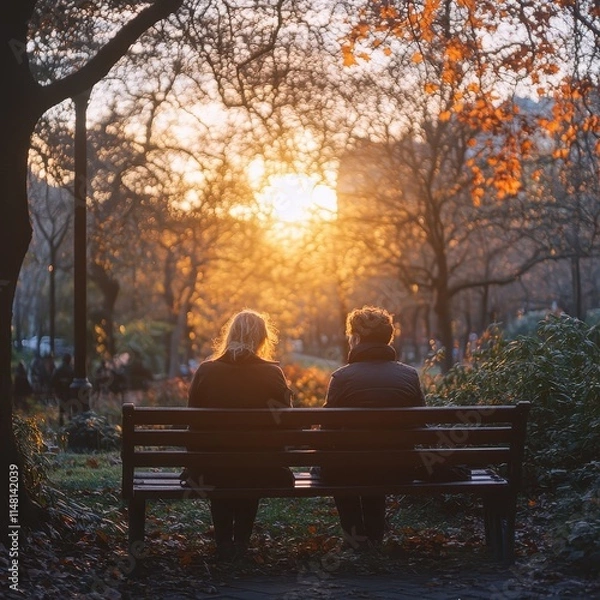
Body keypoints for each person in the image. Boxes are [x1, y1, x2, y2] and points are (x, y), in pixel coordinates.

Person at [185, 309, 293, 560]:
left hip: (210, 469)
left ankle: (224, 544)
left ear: (230, 335)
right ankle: (241, 544)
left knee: (223, 466)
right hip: (262, 470)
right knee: (249, 466)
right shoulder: (272, 373)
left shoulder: (206, 371)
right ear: (262, 340)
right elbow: (287, 422)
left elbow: (192, 420)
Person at [323, 305, 425, 549]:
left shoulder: (342, 377)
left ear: (356, 338)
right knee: (377, 459)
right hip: (398, 468)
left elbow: (326, 431)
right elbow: (421, 423)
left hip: (349, 470)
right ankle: (374, 538)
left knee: (344, 464)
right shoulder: (409, 375)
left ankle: (355, 538)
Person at [51, 353, 74, 426]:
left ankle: (61, 424)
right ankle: (71, 424)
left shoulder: (58, 369)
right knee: (69, 409)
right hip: (68, 392)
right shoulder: (71, 369)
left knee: (61, 409)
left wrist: (56, 390)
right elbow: (73, 381)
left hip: (60, 392)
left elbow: (53, 380)